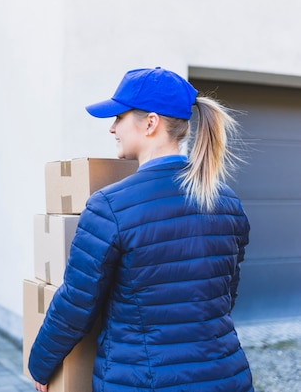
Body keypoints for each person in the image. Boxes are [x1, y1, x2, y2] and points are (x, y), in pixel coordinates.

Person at [28, 67, 253, 392]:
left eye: (119, 117)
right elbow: (223, 297)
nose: (112, 128)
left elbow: (76, 303)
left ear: (150, 123)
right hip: (225, 378)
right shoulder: (228, 202)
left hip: (142, 381)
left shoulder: (110, 205)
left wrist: (39, 364)